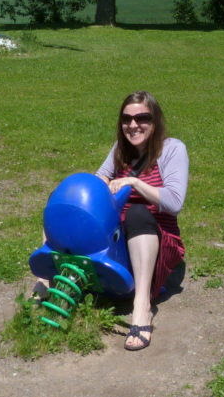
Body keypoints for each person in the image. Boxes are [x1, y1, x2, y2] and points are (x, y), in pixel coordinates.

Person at [96, 91, 188, 351]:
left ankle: (142, 308)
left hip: (157, 242)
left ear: (155, 120)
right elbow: (99, 179)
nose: (133, 125)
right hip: (122, 241)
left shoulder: (172, 149)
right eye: (126, 119)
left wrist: (135, 182)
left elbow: (174, 202)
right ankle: (45, 283)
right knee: (66, 203)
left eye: (142, 118)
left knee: (137, 212)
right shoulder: (119, 149)